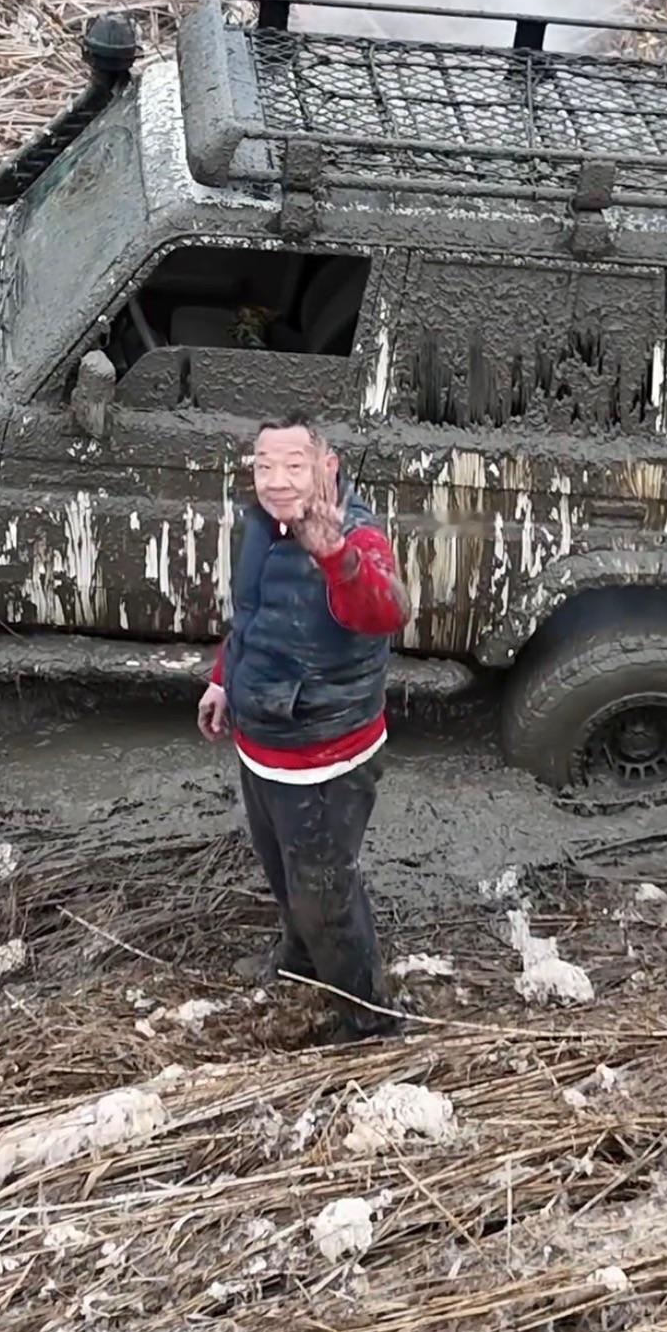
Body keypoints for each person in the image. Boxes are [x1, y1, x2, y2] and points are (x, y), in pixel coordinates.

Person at [198, 412, 411, 1040]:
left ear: (328, 467)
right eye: (264, 466)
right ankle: (297, 963)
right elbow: (252, 617)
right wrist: (221, 679)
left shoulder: (357, 536)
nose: (276, 480)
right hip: (261, 744)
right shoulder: (262, 526)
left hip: (326, 758)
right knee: (283, 870)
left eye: (294, 465)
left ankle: (369, 1019)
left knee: (326, 896)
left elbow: (386, 611)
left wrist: (335, 556)